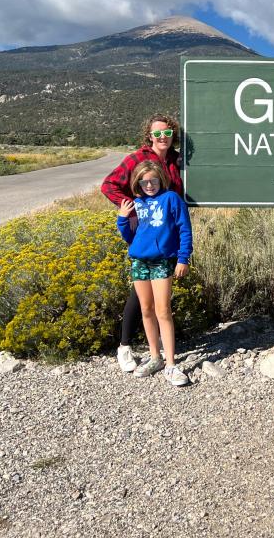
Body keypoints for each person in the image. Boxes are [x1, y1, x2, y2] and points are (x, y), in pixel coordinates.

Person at [101, 113, 185, 372]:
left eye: (167, 133)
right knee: (140, 294)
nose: (163, 138)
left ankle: (156, 353)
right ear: (149, 136)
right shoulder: (137, 159)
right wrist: (132, 211)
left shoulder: (174, 159)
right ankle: (125, 346)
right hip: (144, 231)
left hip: (167, 233)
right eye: (157, 134)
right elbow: (109, 185)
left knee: (152, 295)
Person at [116, 161, 193, 386]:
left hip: (162, 261)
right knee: (146, 310)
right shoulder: (136, 203)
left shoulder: (171, 199)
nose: (150, 185)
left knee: (163, 310)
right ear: (138, 183)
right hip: (139, 261)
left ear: (161, 179)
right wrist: (122, 218)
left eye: (154, 180)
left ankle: (171, 364)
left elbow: (184, 229)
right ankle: (155, 357)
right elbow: (131, 237)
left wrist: (183, 258)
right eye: (145, 181)